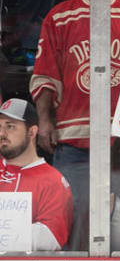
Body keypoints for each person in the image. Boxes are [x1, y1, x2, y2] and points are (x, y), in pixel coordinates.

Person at [30, 0, 120, 250]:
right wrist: (44, 121)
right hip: (74, 141)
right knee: (71, 219)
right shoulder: (60, 16)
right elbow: (45, 74)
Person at [0, 98, 72, 251]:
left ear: (32, 132)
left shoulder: (53, 181)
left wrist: (7, 234)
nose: (1, 133)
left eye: (10, 126)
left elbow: (51, 237)